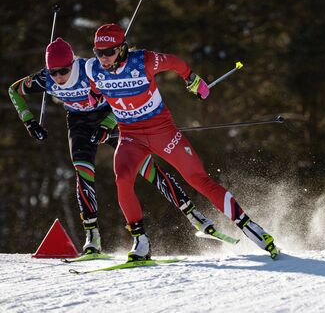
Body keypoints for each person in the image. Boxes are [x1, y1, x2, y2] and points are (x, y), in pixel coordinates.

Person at [8, 38, 223, 255]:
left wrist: (106, 126)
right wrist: (29, 122)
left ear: (73, 63)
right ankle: (92, 238)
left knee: (146, 169)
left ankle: (193, 214)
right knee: (82, 171)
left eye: (63, 71)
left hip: (111, 115)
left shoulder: (90, 69)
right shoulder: (46, 79)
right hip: (79, 122)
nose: (58, 77)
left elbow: (120, 96)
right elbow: (14, 91)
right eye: (53, 72)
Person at [85, 23, 280, 260]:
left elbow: (176, 62)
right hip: (130, 136)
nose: (103, 58)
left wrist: (193, 80)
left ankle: (250, 226)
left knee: (197, 179)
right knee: (123, 179)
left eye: (109, 52)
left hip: (162, 132)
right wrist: (95, 100)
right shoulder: (92, 68)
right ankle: (140, 241)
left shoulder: (144, 61)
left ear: (123, 48)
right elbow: (95, 92)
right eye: (98, 52)